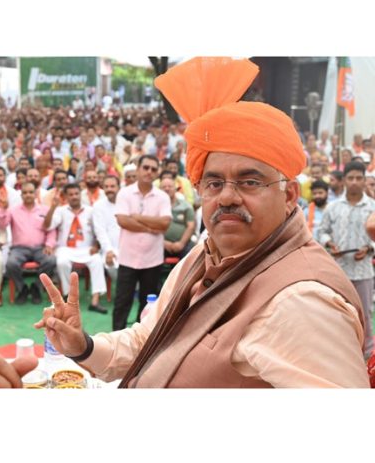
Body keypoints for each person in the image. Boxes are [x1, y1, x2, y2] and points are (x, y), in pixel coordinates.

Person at [30, 57, 368, 388]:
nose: (227, 197)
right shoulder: (202, 256)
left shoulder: (301, 301)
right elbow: (147, 341)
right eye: (214, 183)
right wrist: (83, 346)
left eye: (250, 182)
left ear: (291, 195)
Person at [320, 160, 375, 358]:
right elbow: (322, 231)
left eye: (358, 178)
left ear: (364, 181)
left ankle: (366, 357)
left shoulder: (373, 208)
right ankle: (337, 355)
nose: (354, 182)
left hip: (363, 272)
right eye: (350, 178)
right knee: (336, 314)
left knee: (365, 316)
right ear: (344, 181)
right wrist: (329, 244)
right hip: (338, 271)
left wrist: (370, 248)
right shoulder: (332, 208)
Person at [111, 155, 171, 330]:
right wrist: (151, 227)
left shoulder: (162, 197)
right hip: (127, 258)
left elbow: (165, 224)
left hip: (152, 259)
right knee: (122, 302)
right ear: (137, 169)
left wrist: (137, 218)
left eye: (153, 169)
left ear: (157, 172)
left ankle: (142, 339)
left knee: (149, 304)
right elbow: (123, 221)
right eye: (145, 167)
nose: (149, 172)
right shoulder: (124, 193)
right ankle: (116, 338)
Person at [43, 183, 107, 314]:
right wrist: (52, 208)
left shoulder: (90, 210)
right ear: (66, 196)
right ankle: (67, 297)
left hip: (87, 248)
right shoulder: (60, 210)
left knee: (97, 261)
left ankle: (95, 301)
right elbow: (47, 226)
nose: (74, 197)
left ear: (80, 195)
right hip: (66, 248)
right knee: (61, 262)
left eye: (76, 194)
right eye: (70, 194)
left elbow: (99, 230)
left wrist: (96, 245)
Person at [0, 182, 56, 305]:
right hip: (19, 248)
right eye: (25, 192)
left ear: (35, 194)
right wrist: (3, 209)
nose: (28, 195)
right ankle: (22, 288)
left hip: (40, 248)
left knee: (50, 261)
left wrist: (49, 245)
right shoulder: (13, 210)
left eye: (30, 192)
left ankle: (36, 287)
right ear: (21, 195)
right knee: (11, 263)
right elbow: (1, 226)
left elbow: (51, 230)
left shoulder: (44, 210)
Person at [92, 175, 121, 282]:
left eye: (112, 186)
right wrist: (108, 250)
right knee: (111, 262)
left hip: (129, 247)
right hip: (108, 247)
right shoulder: (98, 206)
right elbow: (100, 231)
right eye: (106, 186)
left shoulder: (126, 203)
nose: (109, 189)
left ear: (119, 187)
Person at [160, 173, 196, 259]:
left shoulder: (185, 205)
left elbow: (191, 226)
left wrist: (181, 244)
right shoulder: (154, 207)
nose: (167, 189)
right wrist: (163, 243)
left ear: (175, 188)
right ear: (159, 189)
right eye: (164, 187)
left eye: (170, 186)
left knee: (192, 254)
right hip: (160, 243)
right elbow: (151, 228)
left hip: (183, 243)